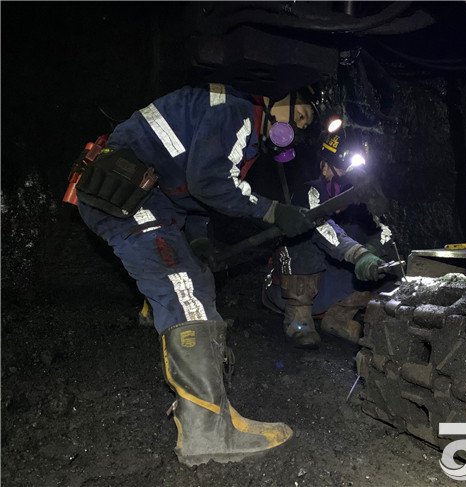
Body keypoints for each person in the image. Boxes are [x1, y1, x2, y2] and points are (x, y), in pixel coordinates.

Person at [73, 83, 316, 466]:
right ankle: (207, 431)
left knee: (196, 281)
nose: (298, 127)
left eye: (303, 125)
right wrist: (272, 211)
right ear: (277, 97)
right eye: (299, 115)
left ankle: (214, 410)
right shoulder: (236, 110)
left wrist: (199, 238)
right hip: (127, 194)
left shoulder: (240, 130)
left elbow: (188, 188)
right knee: (183, 290)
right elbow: (209, 182)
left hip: (146, 197)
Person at [262, 132, 392, 349]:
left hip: (327, 288)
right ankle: (298, 321)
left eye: (334, 167)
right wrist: (359, 254)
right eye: (326, 165)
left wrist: (373, 249)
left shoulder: (363, 196)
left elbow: (386, 230)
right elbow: (324, 230)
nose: (325, 171)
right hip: (287, 291)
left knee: (381, 261)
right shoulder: (310, 192)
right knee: (302, 237)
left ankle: (338, 318)